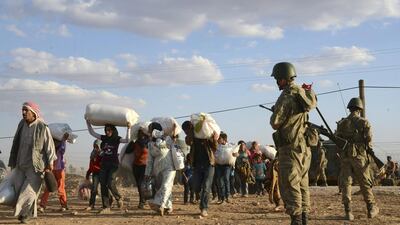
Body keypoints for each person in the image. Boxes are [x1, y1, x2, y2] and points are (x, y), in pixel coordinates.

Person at [270, 62, 316, 225]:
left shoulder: (287, 94)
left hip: (290, 148)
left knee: (290, 186)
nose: (276, 82)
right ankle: (304, 220)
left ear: (283, 78)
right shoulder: (303, 92)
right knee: (303, 186)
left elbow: (275, 122)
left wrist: (276, 109)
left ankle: (296, 221)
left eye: (277, 78)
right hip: (304, 148)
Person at [8, 102, 56, 224]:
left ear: (33, 113)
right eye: (22, 110)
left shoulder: (42, 126)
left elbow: (49, 146)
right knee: (19, 189)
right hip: (20, 163)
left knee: (28, 191)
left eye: (26, 110)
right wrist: (12, 159)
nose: (23, 113)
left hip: (36, 166)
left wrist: (50, 163)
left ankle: (25, 215)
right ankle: (26, 213)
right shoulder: (21, 124)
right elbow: (16, 142)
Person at [335, 97, 379, 220]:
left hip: (345, 157)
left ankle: (348, 212)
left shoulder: (342, 123)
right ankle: (371, 208)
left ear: (349, 108)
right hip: (360, 156)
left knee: (346, 184)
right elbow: (369, 140)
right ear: (359, 109)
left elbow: (337, 140)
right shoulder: (364, 122)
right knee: (365, 182)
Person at [86, 119, 131, 214]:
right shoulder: (104, 138)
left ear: (113, 130)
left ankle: (118, 197)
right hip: (104, 165)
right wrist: (88, 123)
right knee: (103, 185)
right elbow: (92, 133)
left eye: (109, 130)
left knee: (110, 183)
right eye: (106, 130)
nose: (107, 132)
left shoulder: (117, 139)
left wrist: (128, 128)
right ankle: (106, 207)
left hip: (114, 165)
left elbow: (127, 140)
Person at [182, 121, 218, 217]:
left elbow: (215, 147)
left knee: (206, 187)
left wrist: (214, 139)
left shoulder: (206, 137)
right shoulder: (190, 137)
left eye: (187, 130)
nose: (186, 133)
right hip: (197, 166)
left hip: (209, 165)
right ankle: (202, 202)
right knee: (196, 187)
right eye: (185, 131)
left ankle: (204, 208)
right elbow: (188, 141)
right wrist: (191, 133)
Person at [144, 122, 177, 216]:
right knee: (164, 188)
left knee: (166, 186)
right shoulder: (150, 144)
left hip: (169, 167)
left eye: (150, 130)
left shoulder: (166, 139)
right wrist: (147, 173)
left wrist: (173, 130)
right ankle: (169, 206)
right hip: (157, 169)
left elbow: (174, 141)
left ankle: (161, 206)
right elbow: (150, 160)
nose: (149, 132)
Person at [39, 132, 69, 212]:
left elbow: (63, 148)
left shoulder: (60, 150)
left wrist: (64, 140)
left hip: (59, 170)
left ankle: (64, 206)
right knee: (48, 188)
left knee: (60, 188)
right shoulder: (49, 151)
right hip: (51, 170)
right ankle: (42, 206)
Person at [125, 128, 149, 209]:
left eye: (142, 133)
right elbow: (127, 151)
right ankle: (143, 200)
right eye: (139, 134)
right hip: (135, 166)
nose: (140, 135)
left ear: (144, 134)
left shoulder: (148, 142)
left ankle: (142, 202)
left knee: (140, 183)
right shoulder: (135, 143)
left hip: (144, 166)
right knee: (139, 185)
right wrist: (132, 141)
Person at [214, 132, 235, 204]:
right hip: (219, 166)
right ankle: (222, 197)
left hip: (227, 166)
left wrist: (236, 154)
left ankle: (227, 196)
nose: (218, 140)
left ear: (224, 139)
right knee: (220, 181)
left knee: (226, 179)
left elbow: (235, 153)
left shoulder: (230, 146)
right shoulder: (216, 146)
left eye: (219, 138)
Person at [85, 139, 106, 210]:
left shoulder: (104, 154)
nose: (95, 148)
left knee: (104, 189)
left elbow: (104, 166)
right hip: (95, 174)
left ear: (100, 146)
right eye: (94, 146)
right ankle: (91, 205)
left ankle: (106, 204)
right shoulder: (92, 154)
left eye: (97, 146)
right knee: (94, 189)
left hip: (102, 173)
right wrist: (88, 174)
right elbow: (91, 166)